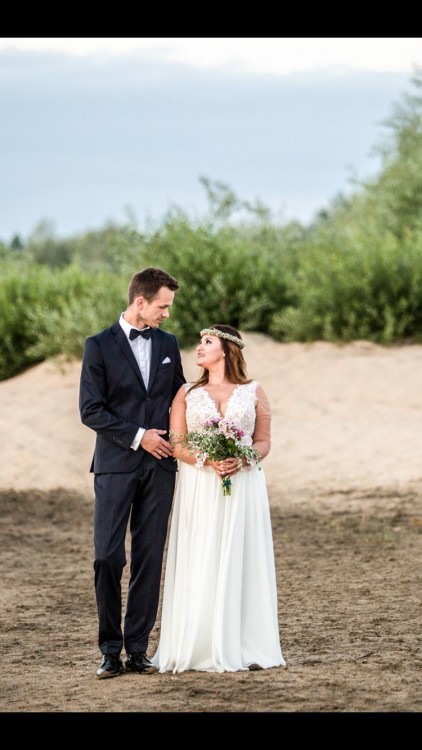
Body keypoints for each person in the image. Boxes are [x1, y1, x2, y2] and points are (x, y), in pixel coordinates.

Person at [152, 324, 286, 673]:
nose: (199, 347)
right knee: (202, 553)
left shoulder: (254, 391)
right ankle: (199, 643)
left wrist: (244, 459)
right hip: (200, 484)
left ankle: (247, 644)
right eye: (199, 341)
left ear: (226, 349)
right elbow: (177, 444)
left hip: (244, 484)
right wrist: (208, 461)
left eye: (207, 342)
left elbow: (263, 441)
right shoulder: (186, 392)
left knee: (242, 555)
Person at [79, 267, 185, 678]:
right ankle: (110, 649)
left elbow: (180, 397)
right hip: (115, 465)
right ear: (140, 302)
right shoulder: (98, 346)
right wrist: (140, 437)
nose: (167, 314)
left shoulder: (168, 344)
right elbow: (91, 410)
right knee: (107, 556)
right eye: (163, 306)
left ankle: (138, 649)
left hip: (161, 467)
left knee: (148, 557)